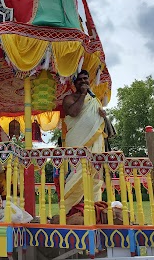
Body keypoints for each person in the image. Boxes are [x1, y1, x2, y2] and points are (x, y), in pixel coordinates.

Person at [62, 70, 106, 214]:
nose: (83, 81)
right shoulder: (69, 98)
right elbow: (74, 112)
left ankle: (94, 211)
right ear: (75, 83)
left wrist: (103, 117)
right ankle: (68, 211)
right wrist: (82, 94)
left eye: (85, 79)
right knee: (76, 175)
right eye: (80, 79)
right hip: (77, 144)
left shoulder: (94, 100)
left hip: (95, 145)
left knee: (93, 176)